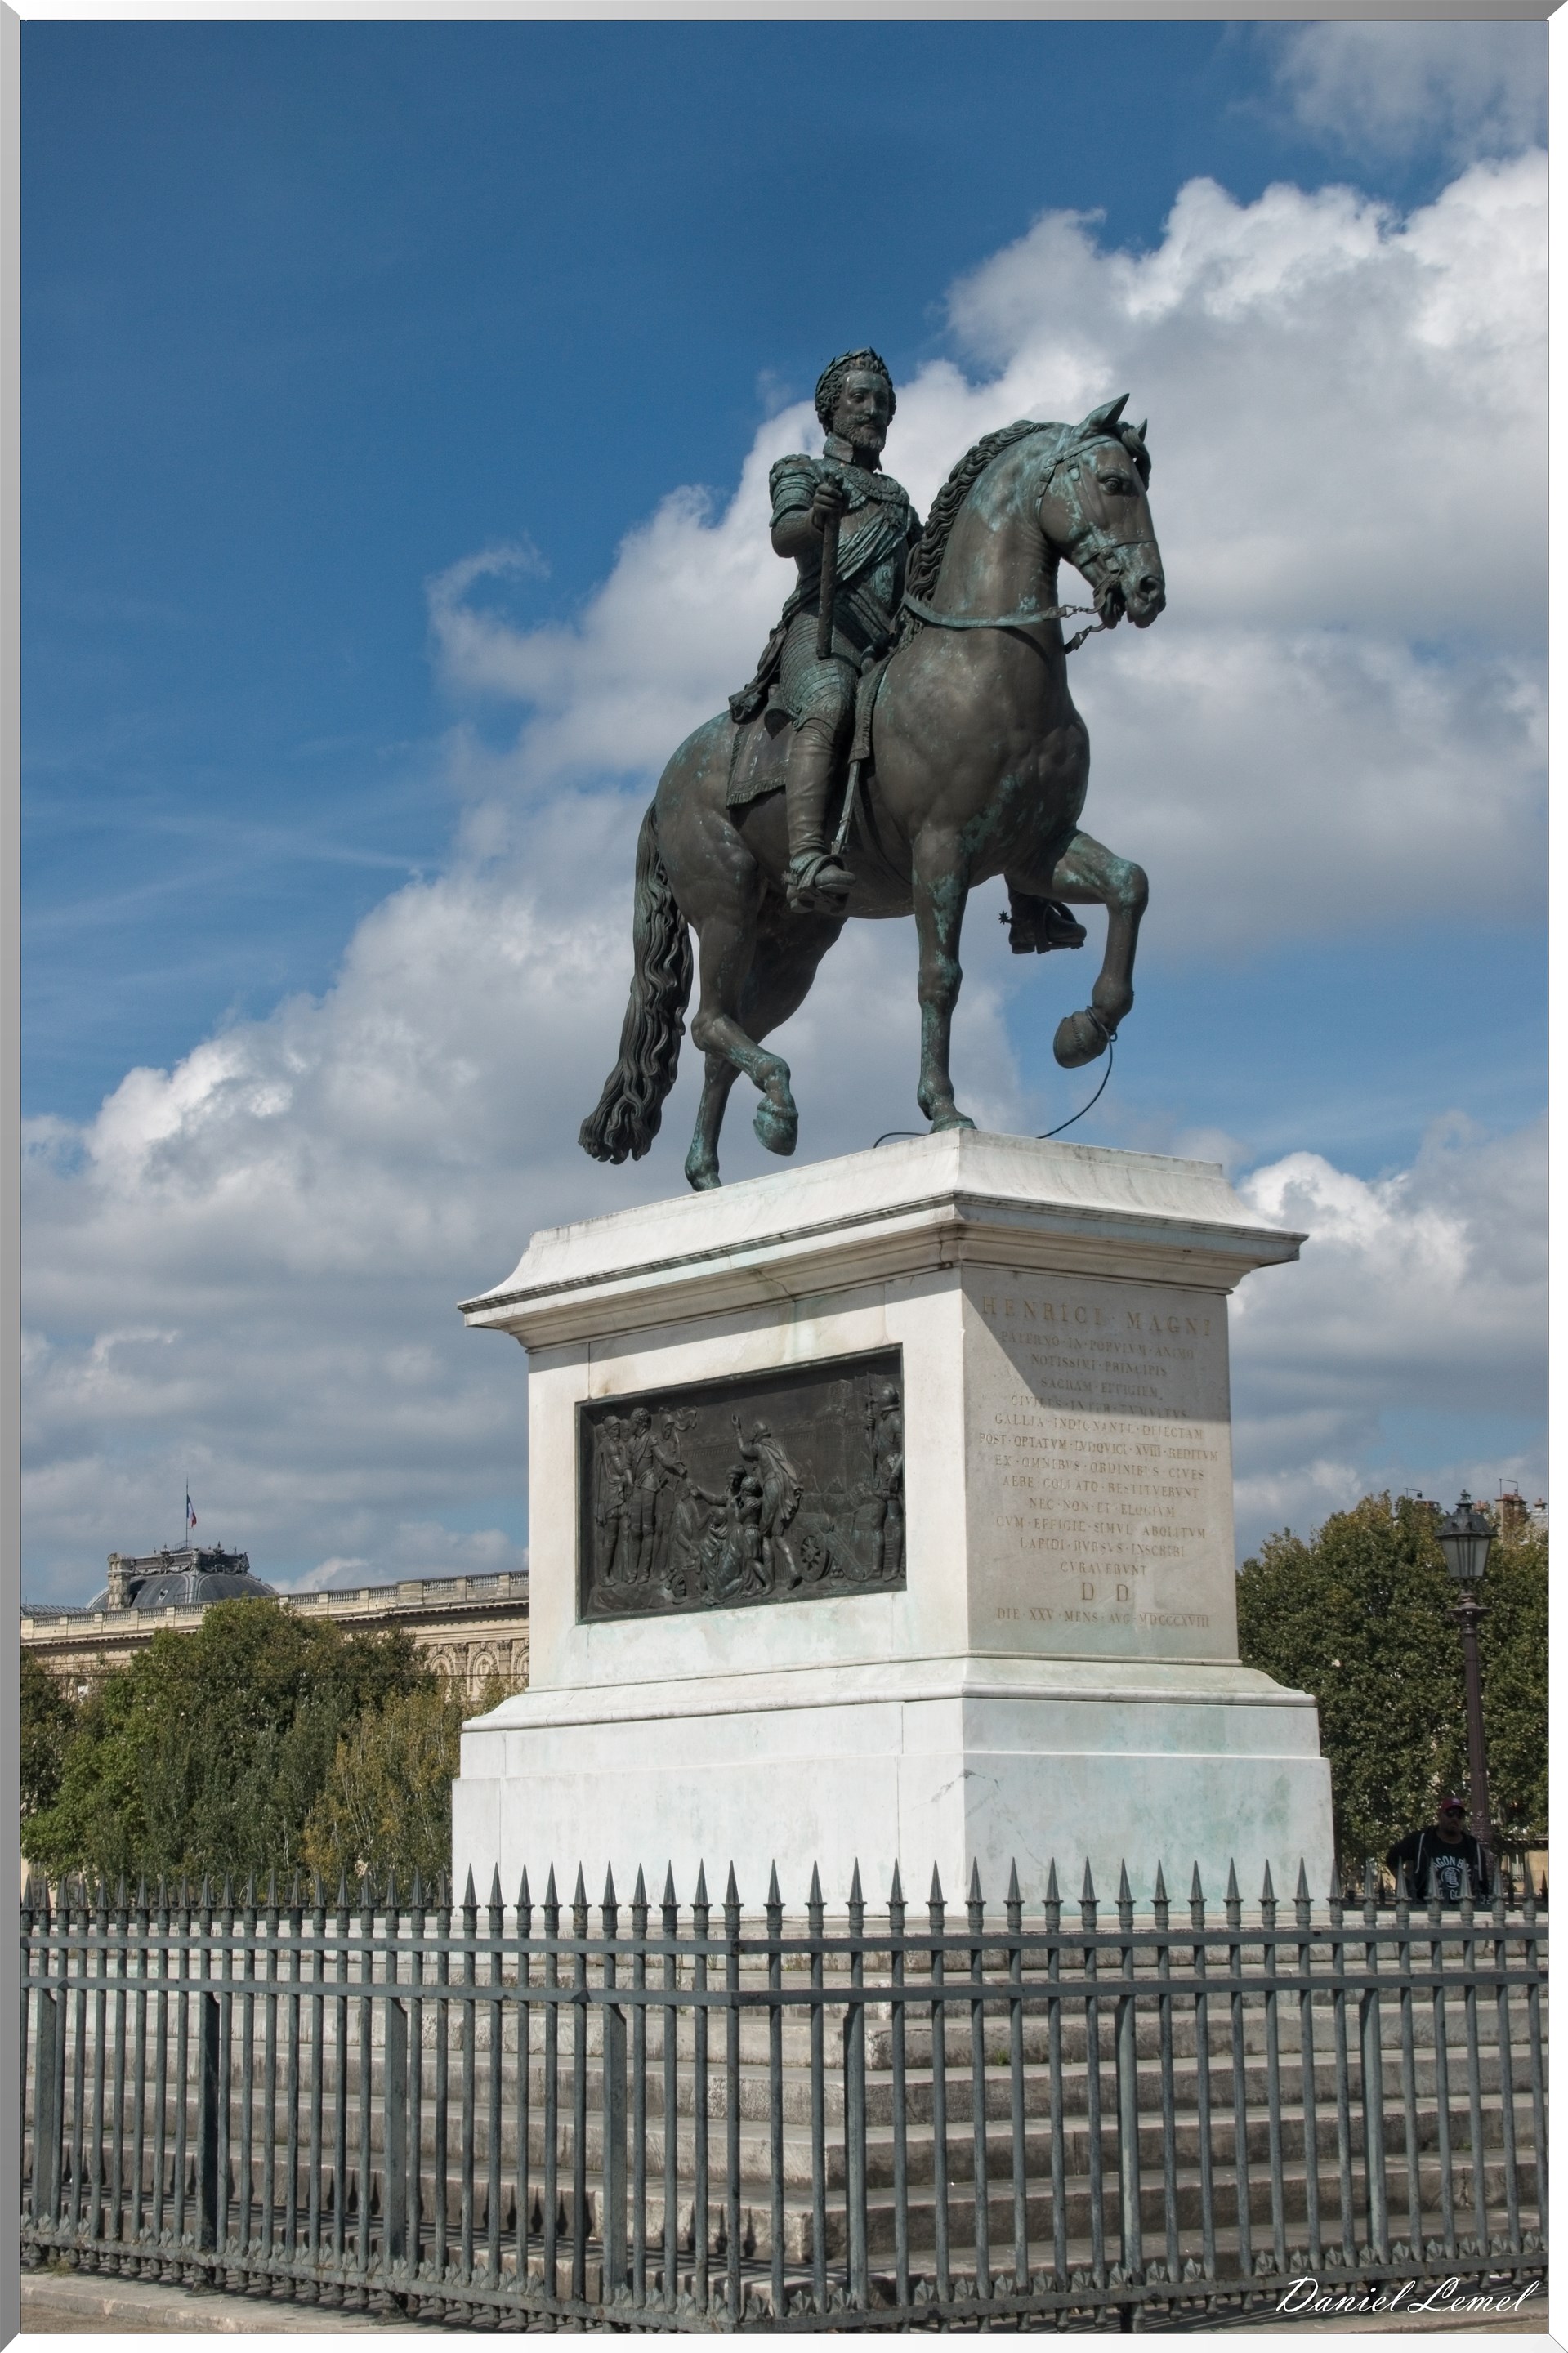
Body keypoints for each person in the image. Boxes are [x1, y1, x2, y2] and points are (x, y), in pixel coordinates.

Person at [729, 348, 922, 913]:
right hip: (825, 631)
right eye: (858, 399)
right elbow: (785, 536)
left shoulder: (899, 503)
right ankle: (807, 857)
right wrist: (816, 514)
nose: (873, 411)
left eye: (882, 402)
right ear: (829, 412)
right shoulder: (801, 471)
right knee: (831, 703)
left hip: (887, 648)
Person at [1385, 1797, 1493, 1906]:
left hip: (1464, 1911)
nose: (1455, 1818)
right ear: (1439, 1815)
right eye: (1450, 1813)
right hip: (1427, 1908)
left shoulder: (1473, 1847)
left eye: (1460, 1815)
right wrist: (1406, 1885)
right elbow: (1392, 1858)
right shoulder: (1422, 1840)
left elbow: (1482, 1886)